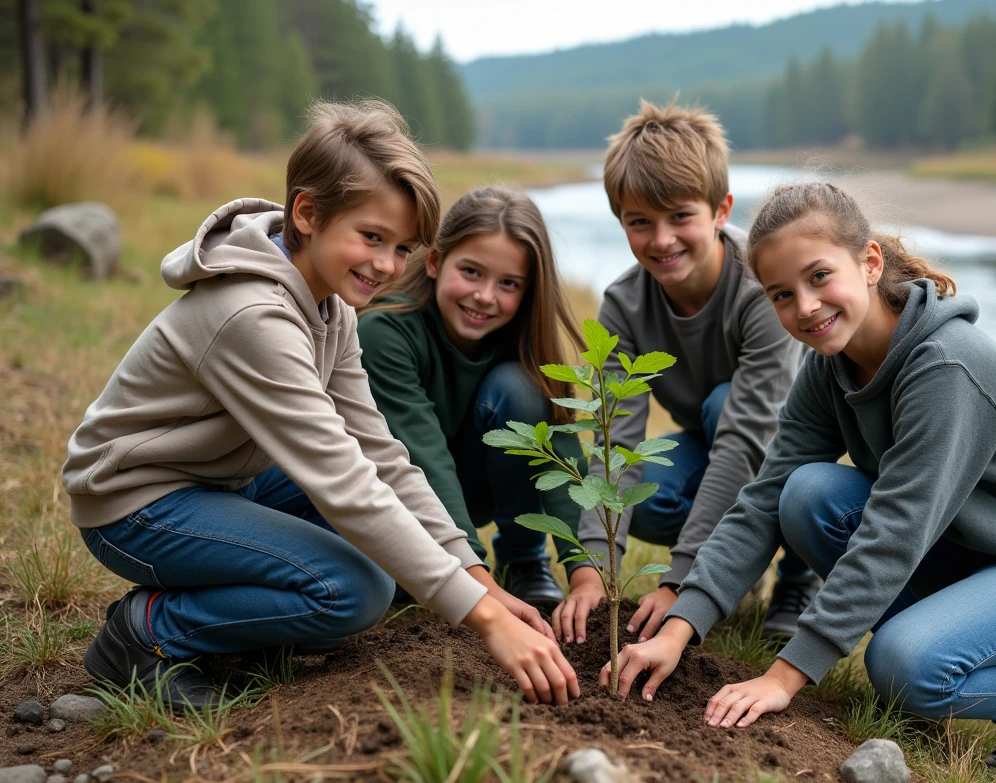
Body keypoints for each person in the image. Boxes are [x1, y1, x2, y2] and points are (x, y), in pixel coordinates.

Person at [605, 182, 996, 783]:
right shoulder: (827, 366)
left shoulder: (948, 366)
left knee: (904, 667)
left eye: (819, 276)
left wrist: (784, 677)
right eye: (782, 294)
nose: (805, 306)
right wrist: (682, 625)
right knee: (803, 493)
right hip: (968, 552)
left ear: (870, 262)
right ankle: (944, 653)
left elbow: (894, 532)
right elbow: (762, 498)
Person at [62, 100, 579, 710]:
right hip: (135, 504)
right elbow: (341, 481)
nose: (387, 265)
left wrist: (479, 580)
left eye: (404, 248)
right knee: (355, 588)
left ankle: (239, 623)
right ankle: (148, 632)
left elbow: (382, 456)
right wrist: (487, 622)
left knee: (390, 552)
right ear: (307, 213)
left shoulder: (330, 305)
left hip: (223, 483)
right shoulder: (252, 315)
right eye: (372, 237)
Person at [551, 100, 819, 645]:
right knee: (646, 492)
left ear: (721, 210)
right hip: (710, 439)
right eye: (639, 222)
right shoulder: (623, 305)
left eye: (680, 217)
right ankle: (737, 568)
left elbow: (745, 438)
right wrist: (595, 572)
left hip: (796, 447)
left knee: (726, 406)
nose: (662, 239)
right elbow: (614, 442)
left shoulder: (759, 290)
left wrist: (682, 581)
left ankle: (798, 576)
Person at [358, 185, 586, 611]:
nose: (484, 296)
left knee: (522, 390)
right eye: (471, 272)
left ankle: (524, 560)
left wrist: (585, 571)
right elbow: (423, 456)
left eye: (509, 284)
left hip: (469, 486)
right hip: (395, 495)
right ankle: (437, 566)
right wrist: (478, 585)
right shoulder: (385, 331)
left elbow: (564, 452)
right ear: (434, 261)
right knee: (389, 584)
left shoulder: (522, 339)